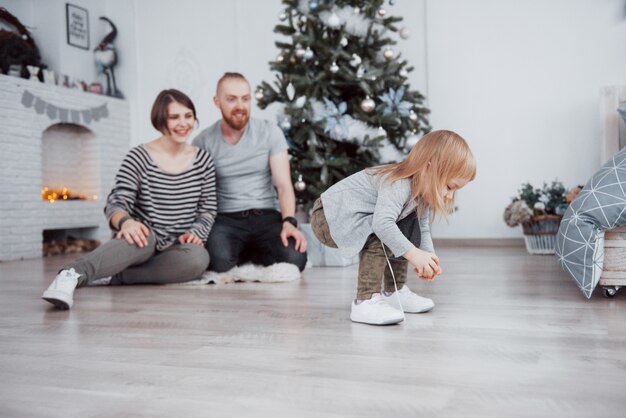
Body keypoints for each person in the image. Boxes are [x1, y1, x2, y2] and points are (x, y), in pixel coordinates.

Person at [42, 89, 217, 310]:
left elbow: (208, 209)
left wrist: (196, 233)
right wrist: (127, 222)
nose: (183, 123)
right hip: (143, 237)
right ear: (160, 119)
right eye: (174, 117)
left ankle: (116, 276)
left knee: (199, 259)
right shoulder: (139, 156)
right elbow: (116, 201)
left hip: (177, 246)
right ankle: (71, 275)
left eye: (188, 116)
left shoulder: (203, 161)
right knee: (143, 237)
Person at [311, 130, 476, 325]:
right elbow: (382, 224)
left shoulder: (422, 194)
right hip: (329, 216)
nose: (449, 196)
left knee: (404, 230)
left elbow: (422, 229)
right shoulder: (398, 184)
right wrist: (414, 255)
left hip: (347, 215)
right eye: (449, 187)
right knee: (381, 233)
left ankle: (394, 292)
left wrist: (428, 256)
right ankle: (364, 300)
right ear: (428, 169)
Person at [192, 72, 307, 274]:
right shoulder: (203, 141)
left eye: (245, 99)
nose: (240, 106)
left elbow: (283, 186)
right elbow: (199, 193)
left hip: (266, 215)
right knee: (218, 262)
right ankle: (247, 251)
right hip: (226, 219)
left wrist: (289, 222)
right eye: (231, 99)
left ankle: (249, 250)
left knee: (295, 258)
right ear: (217, 102)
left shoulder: (270, 132)